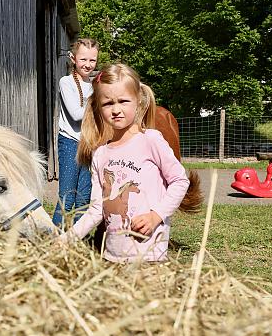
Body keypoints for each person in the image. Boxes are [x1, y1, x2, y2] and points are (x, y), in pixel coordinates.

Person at [60, 63, 190, 262]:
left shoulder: (150, 140)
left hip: (149, 256)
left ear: (138, 101)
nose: (116, 110)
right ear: (98, 107)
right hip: (112, 257)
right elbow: (96, 209)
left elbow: (180, 181)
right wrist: (66, 239)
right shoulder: (100, 153)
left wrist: (156, 216)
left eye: (123, 101)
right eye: (107, 103)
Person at [52, 38, 100, 227]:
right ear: (73, 58)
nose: (88, 65)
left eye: (92, 60)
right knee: (67, 196)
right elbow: (76, 114)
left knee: (83, 198)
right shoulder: (66, 82)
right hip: (70, 143)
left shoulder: (95, 85)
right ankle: (54, 240)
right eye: (83, 60)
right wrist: (98, 98)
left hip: (90, 144)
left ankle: (76, 242)